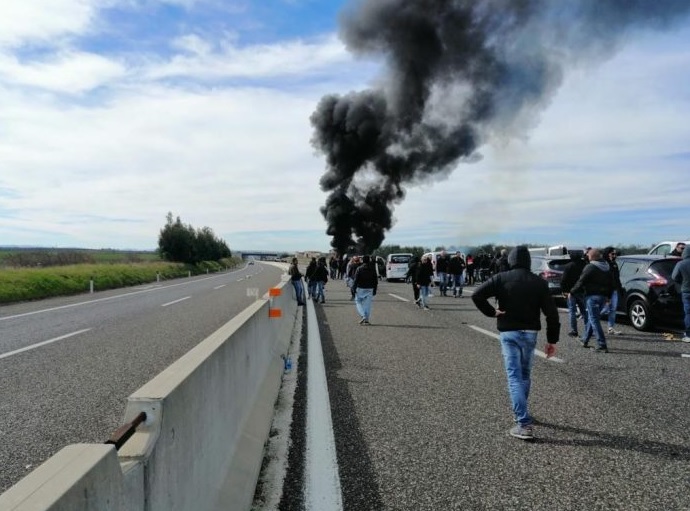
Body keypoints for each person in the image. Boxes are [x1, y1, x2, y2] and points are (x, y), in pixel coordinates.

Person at [471, 245, 559, 440]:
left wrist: (492, 312)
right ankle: (523, 413)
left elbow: (476, 294)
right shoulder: (539, 282)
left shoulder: (501, 278)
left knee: (514, 376)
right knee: (525, 374)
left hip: (508, 331)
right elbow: (551, 314)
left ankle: (523, 423)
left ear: (510, 260)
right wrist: (552, 339)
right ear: (528, 261)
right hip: (530, 332)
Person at [570, 248, 613, 352]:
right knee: (591, 318)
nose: (587, 257)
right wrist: (608, 297)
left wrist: (572, 292)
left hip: (592, 297)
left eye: (588, 255)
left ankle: (602, 344)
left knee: (594, 320)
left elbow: (581, 281)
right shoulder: (607, 267)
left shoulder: (590, 267)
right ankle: (585, 339)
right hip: (603, 297)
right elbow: (611, 283)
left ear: (592, 257)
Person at [560, 250, 588, 338]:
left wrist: (564, 290)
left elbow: (563, 280)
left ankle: (574, 330)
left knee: (572, 311)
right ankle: (589, 329)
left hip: (571, 292)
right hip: (583, 291)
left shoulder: (569, 266)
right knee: (585, 311)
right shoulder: (585, 265)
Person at [601, 247, 623, 335]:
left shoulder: (614, 264)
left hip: (614, 290)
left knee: (613, 309)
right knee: (604, 309)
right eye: (612, 254)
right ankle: (591, 325)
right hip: (605, 291)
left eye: (615, 254)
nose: (615, 256)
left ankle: (610, 328)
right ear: (607, 254)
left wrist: (620, 288)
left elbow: (617, 278)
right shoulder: (604, 264)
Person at [671, 244, 690, 343]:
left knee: (688, 313)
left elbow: (674, 277)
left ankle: (688, 335)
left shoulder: (681, 264)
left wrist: (682, 282)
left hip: (686, 291)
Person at [352, 255, 378, 324]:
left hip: (360, 288)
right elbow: (375, 280)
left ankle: (363, 315)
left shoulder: (359, 268)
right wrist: (375, 289)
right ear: (369, 260)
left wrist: (353, 288)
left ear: (362, 261)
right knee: (368, 305)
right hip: (370, 288)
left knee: (358, 301)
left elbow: (356, 280)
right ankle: (366, 320)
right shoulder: (373, 269)